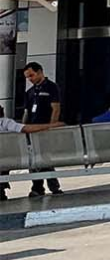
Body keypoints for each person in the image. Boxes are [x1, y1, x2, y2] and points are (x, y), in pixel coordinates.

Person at [0, 105, 63, 201]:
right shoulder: (5, 123)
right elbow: (26, 129)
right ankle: (47, 187)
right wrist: (50, 126)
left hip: (4, 160)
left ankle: (2, 189)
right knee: (39, 155)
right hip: (12, 159)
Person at [22, 62, 63, 196]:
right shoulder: (30, 92)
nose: (30, 79)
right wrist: (23, 128)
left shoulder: (51, 87)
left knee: (44, 158)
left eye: (32, 75)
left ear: (39, 72)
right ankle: (41, 186)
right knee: (36, 160)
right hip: (32, 129)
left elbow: (55, 109)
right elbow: (26, 112)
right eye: (28, 77)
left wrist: (51, 126)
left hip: (45, 128)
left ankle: (45, 186)